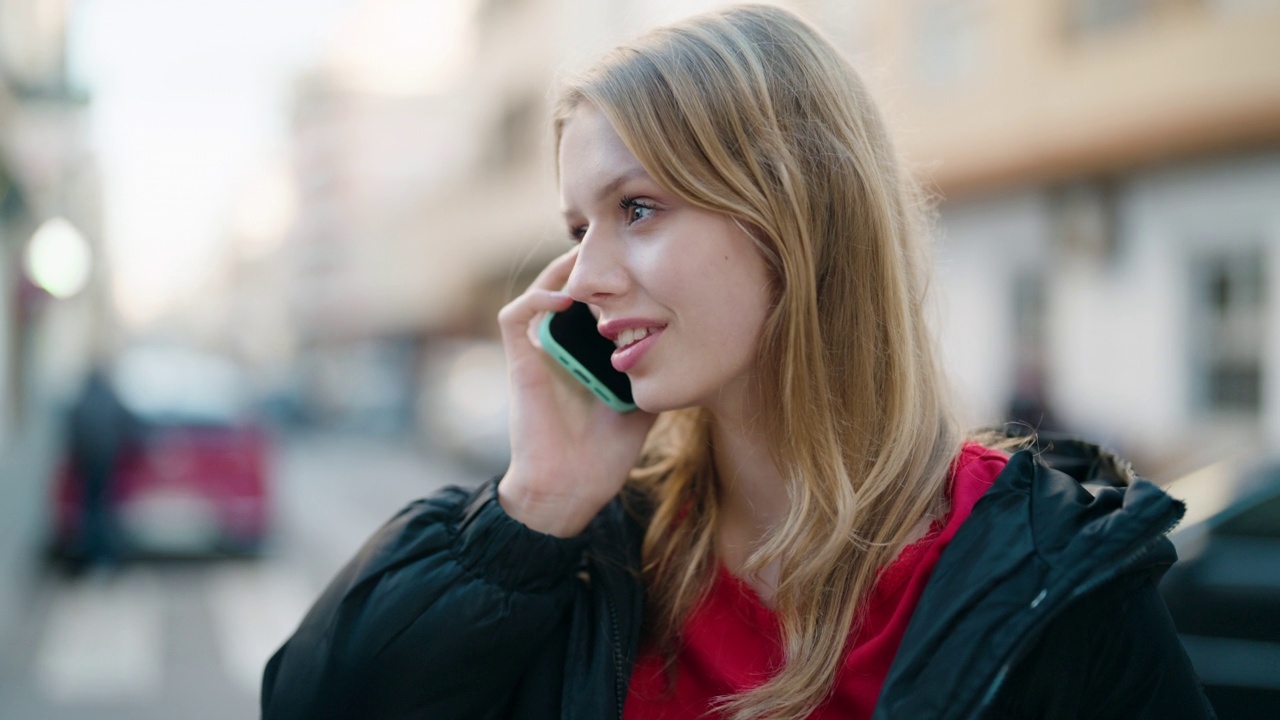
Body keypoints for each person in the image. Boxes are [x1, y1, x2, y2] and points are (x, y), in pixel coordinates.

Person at [261, 5, 1216, 719]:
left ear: (794, 214)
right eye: (575, 228)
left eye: (636, 208)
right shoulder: (586, 552)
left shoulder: (1049, 576)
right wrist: (533, 510)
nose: (582, 277)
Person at [66, 364, 141, 572]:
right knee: (106, 508)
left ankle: (90, 554)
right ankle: (108, 555)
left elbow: (73, 432)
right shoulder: (111, 399)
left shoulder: (81, 401)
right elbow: (130, 424)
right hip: (108, 461)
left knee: (90, 508)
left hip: (88, 462)